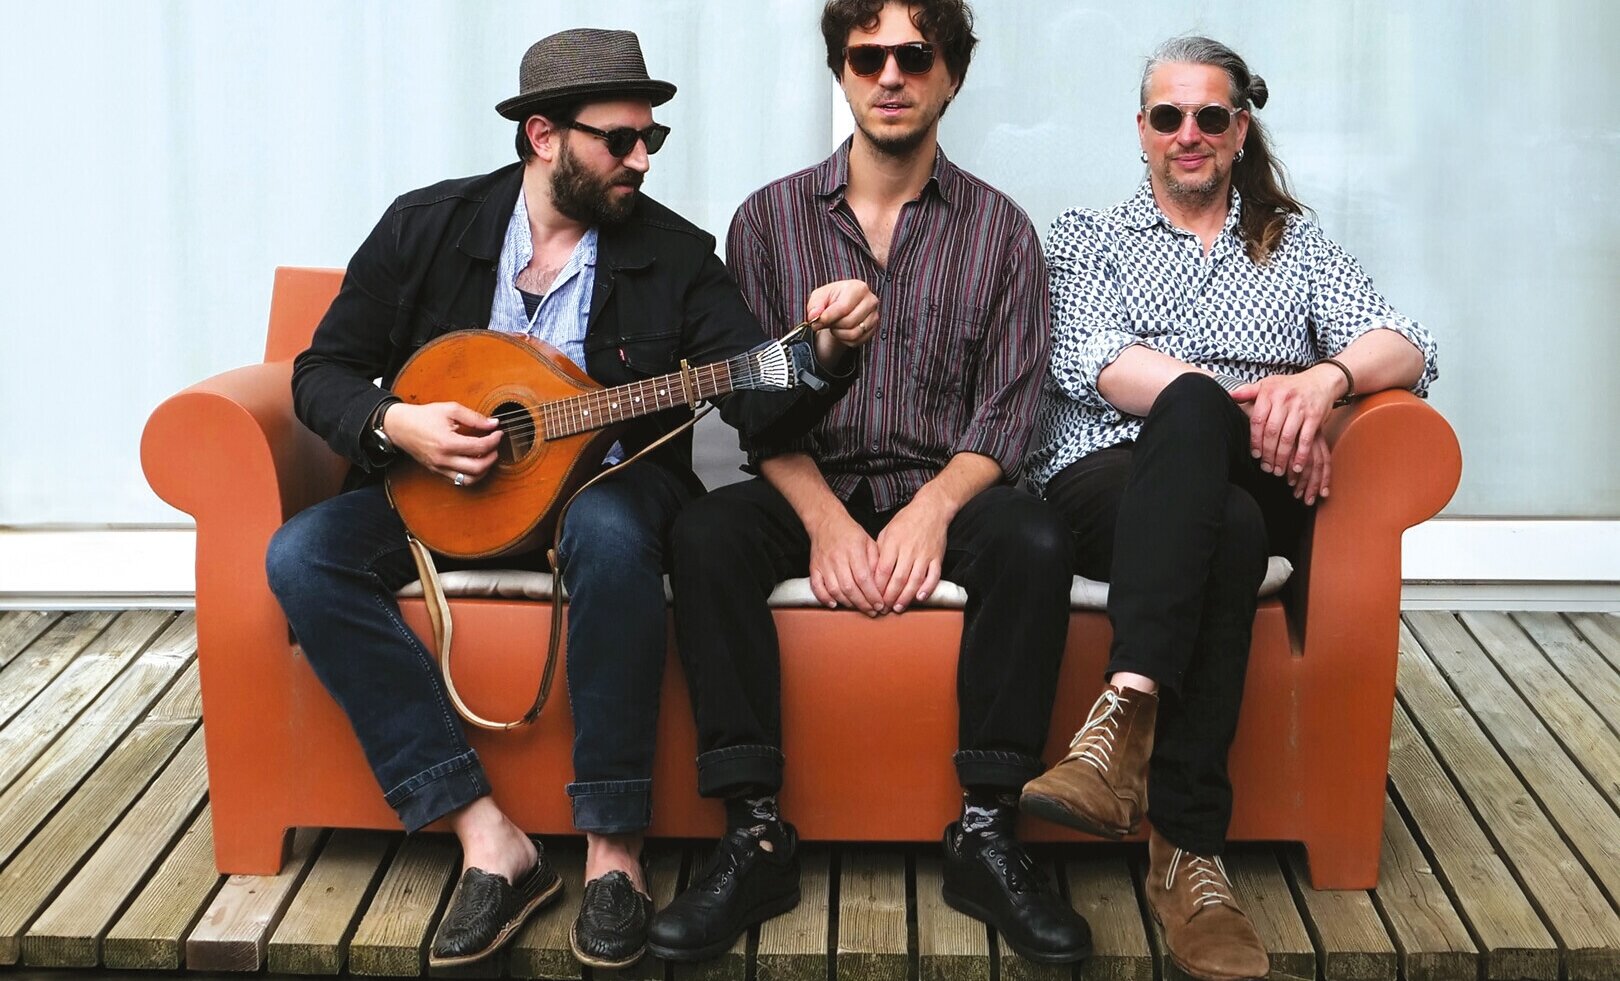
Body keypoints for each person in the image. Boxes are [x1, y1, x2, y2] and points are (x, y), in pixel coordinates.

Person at [265, 28, 866, 971]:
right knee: (302, 555)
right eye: (618, 140)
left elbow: (756, 393)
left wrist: (824, 353)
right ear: (543, 136)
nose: (642, 159)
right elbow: (322, 372)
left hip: (608, 493)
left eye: (650, 139)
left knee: (611, 527)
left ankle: (613, 852)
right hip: (444, 494)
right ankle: (484, 834)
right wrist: (399, 424)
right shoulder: (427, 227)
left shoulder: (675, 254)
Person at [647, 0, 1091, 966]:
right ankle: (754, 833)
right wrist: (825, 522)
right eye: (867, 57)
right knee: (705, 535)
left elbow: (1007, 413)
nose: (891, 76)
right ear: (841, 71)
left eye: (915, 56)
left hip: (945, 481)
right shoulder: (767, 222)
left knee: (1034, 538)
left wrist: (932, 511)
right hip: (811, 476)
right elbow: (753, 408)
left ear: (952, 74)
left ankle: (987, 830)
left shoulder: (1003, 232)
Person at [1019, 35, 1439, 981]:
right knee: (1228, 513)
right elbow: (1097, 362)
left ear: (1240, 128)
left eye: (1211, 115)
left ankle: (1121, 721)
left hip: (1248, 476)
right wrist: (1243, 410)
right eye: (1169, 116)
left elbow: (1409, 343)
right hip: (1109, 474)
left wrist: (1326, 379)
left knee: (1227, 491)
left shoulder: (1293, 243)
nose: (1190, 133)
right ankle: (1190, 856)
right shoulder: (1087, 237)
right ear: (1142, 129)